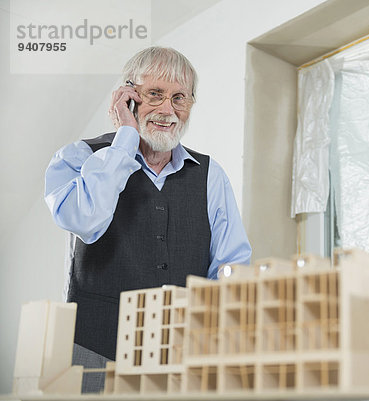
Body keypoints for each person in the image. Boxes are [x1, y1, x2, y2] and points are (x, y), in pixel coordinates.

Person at [44, 46, 251, 392]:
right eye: (155, 94)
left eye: (179, 98)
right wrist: (125, 140)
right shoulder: (80, 157)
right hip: (93, 354)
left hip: (182, 361)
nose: (167, 110)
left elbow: (233, 270)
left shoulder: (211, 176)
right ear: (127, 97)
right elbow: (85, 219)